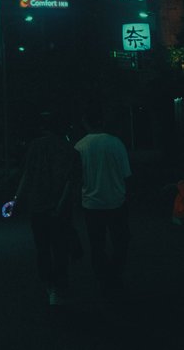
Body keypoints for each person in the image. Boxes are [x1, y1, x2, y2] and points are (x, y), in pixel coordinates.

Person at [14, 109, 82, 306]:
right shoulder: (71, 151)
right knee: (60, 248)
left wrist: (16, 200)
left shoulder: (35, 147)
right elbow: (71, 183)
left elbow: (26, 175)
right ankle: (60, 286)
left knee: (42, 247)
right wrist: (61, 205)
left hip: (38, 206)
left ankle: (49, 285)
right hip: (61, 209)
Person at [74, 101, 132, 295]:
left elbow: (77, 177)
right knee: (120, 242)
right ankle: (115, 275)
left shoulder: (80, 146)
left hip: (92, 203)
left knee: (97, 244)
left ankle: (102, 277)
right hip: (116, 201)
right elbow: (126, 174)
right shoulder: (116, 143)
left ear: (85, 122)